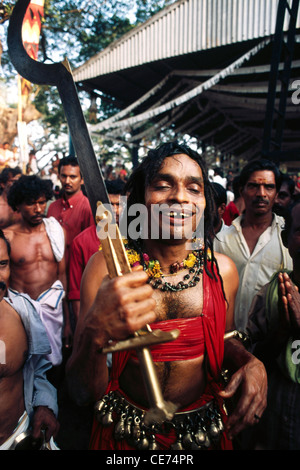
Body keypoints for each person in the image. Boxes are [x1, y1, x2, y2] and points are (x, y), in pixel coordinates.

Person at [66, 141, 267, 451]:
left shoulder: (222, 271)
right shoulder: (105, 268)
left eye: (194, 188)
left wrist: (251, 362)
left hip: (204, 432)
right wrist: (94, 330)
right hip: (126, 435)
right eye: (163, 185)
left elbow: (223, 339)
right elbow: (81, 393)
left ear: (205, 202)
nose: (179, 197)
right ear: (141, 199)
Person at [246, 196, 300, 449]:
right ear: (287, 240)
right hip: (276, 419)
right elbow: (256, 360)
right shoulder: (270, 293)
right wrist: (282, 331)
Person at [214, 159, 293, 332]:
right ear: (242, 190)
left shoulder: (287, 238)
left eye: (269, 187)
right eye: (253, 186)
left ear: (277, 193)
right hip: (226, 340)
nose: (261, 193)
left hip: (269, 342)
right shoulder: (222, 238)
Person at [0, 229, 59, 450]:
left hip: (19, 436)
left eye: (2, 264)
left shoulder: (23, 311)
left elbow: (37, 371)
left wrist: (45, 405)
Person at [3, 175, 69, 368]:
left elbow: (62, 276)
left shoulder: (56, 232)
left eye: (42, 202)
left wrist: (67, 322)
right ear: (18, 205)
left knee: (54, 366)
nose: (39, 209)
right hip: (20, 312)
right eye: (31, 204)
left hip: (52, 310)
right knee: (21, 365)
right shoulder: (8, 237)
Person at [68, 179, 125, 325]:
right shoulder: (81, 241)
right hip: (97, 319)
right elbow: (76, 294)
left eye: (119, 205)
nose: (114, 210)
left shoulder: (138, 237)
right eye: (110, 205)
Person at [47, 156, 94, 265]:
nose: (67, 181)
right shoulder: (52, 207)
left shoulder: (88, 208)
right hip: (54, 270)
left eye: (73, 177)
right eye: (64, 176)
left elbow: (90, 248)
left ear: (82, 180)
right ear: (59, 176)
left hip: (77, 270)